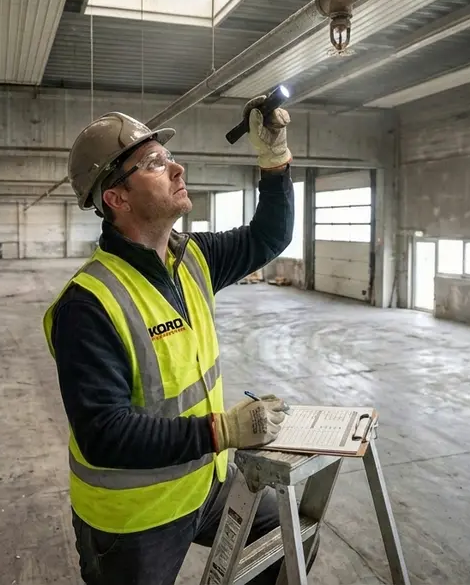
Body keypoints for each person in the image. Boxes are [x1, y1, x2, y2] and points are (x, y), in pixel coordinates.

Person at [42, 95, 309, 584]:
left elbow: (269, 236)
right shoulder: (88, 304)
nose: (176, 168)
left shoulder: (193, 258)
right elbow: (104, 433)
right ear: (115, 198)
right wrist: (222, 432)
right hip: (135, 517)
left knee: (283, 542)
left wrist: (274, 162)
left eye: (167, 158)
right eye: (154, 164)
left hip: (203, 481)